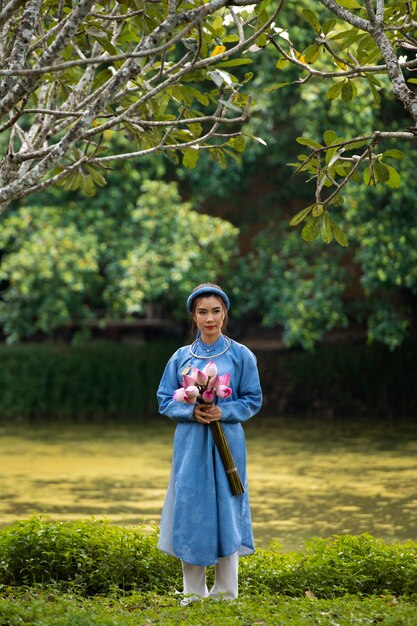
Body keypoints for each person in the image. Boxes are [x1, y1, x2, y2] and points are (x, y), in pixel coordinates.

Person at [157, 283, 262, 605]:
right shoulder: (181, 357)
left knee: (227, 509)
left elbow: (252, 400)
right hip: (190, 445)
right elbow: (164, 400)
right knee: (190, 508)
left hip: (228, 445)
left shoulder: (241, 355)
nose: (210, 318)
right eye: (202, 312)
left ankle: (227, 593)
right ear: (193, 316)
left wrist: (223, 410)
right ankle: (193, 592)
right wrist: (191, 410)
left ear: (225, 313)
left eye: (216, 311)